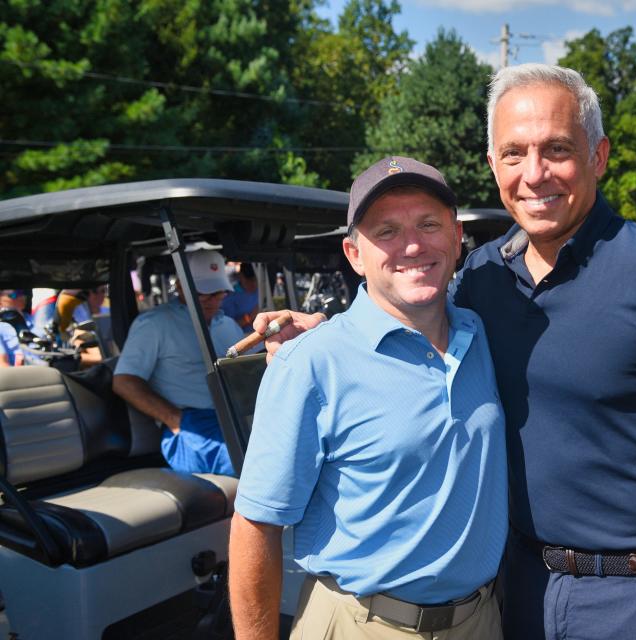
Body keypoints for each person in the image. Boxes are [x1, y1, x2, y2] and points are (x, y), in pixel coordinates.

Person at [256, 64, 636, 639]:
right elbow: (404, 305)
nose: (534, 173)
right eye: (513, 153)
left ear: (598, 156)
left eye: (556, 149)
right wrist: (328, 332)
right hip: (514, 591)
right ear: (492, 166)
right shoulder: (481, 278)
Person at [229, 157, 507, 640]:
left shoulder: (484, 331)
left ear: (457, 238)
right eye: (387, 231)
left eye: (428, 224)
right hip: (361, 624)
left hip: (481, 621)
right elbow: (256, 526)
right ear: (354, 254)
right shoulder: (312, 363)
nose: (413, 245)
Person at [112, 249, 244, 475]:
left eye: (218, 292)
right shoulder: (154, 324)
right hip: (193, 425)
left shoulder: (229, 325)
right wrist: (176, 421)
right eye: (204, 292)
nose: (212, 300)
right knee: (258, 468)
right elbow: (124, 381)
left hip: (236, 417)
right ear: (181, 286)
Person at [222, 263, 259, 332]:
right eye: (249, 280)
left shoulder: (262, 290)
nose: (253, 284)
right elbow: (228, 328)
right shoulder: (229, 298)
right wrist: (249, 317)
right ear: (240, 276)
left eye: (255, 280)